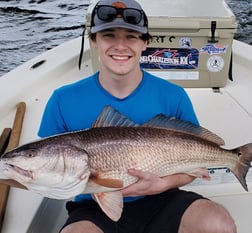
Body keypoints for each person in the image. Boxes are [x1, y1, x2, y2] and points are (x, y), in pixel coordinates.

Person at [38, 0, 237, 232]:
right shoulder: (62, 99)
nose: (120, 46)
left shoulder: (173, 95)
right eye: (109, 35)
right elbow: (44, 165)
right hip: (92, 206)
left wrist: (162, 184)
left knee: (218, 224)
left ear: (145, 43)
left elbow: (191, 165)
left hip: (163, 198)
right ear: (94, 41)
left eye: (131, 36)